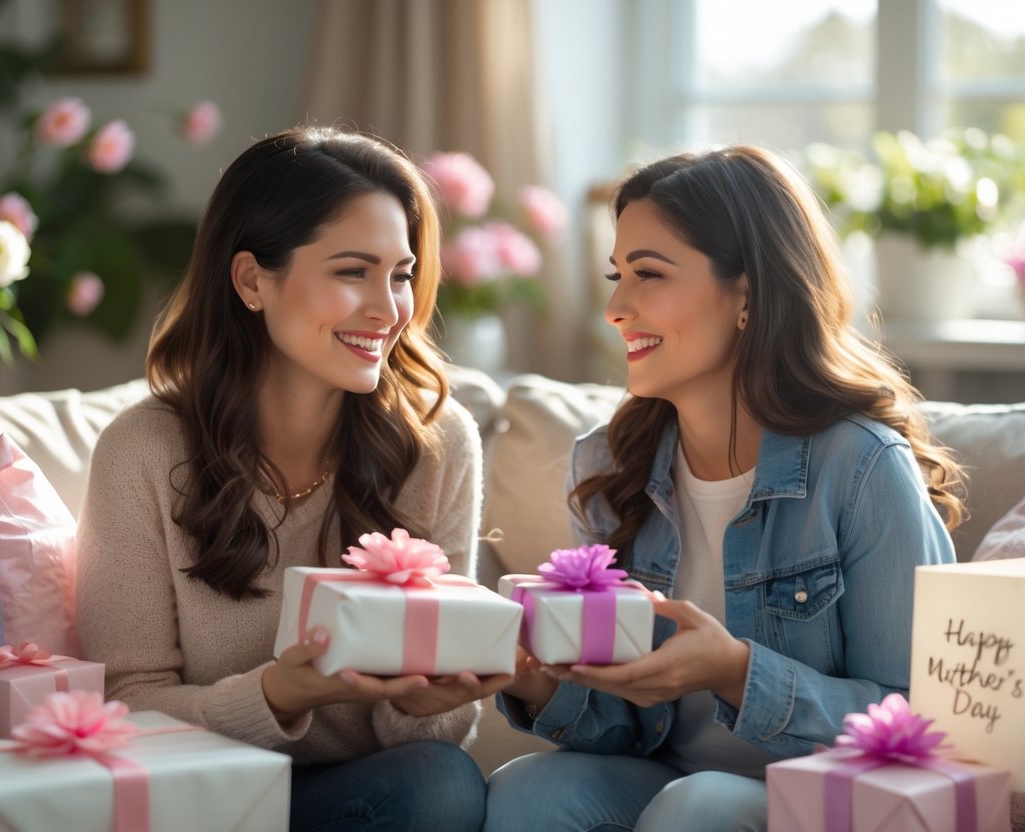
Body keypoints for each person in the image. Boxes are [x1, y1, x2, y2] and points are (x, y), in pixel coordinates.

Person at [484, 145, 966, 831]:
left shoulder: (860, 466)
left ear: (746, 291)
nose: (616, 307)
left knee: (698, 805)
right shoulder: (611, 465)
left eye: (647, 275)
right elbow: (624, 726)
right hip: (675, 784)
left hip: (829, 800)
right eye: (615, 275)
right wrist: (535, 681)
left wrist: (737, 671)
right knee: (527, 790)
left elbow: (917, 717)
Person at [76, 125, 506, 831]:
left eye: (399, 274)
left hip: (373, 798)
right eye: (350, 271)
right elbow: (127, 701)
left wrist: (429, 698)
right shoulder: (142, 451)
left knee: (440, 781)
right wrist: (278, 694)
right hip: (199, 797)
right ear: (251, 280)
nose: (387, 308)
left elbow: (435, 739)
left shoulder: (436, 442)